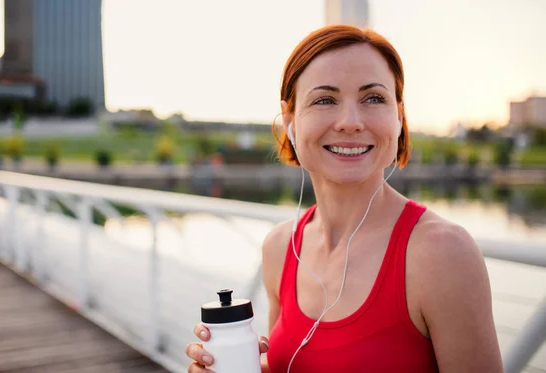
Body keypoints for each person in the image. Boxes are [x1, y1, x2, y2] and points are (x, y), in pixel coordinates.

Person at [185, 24, 503, 373]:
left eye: (373, 98)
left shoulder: (442, 253)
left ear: (398, 118)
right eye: (324, 100)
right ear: (290, 121)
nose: (350, 122)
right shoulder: (279, 247)